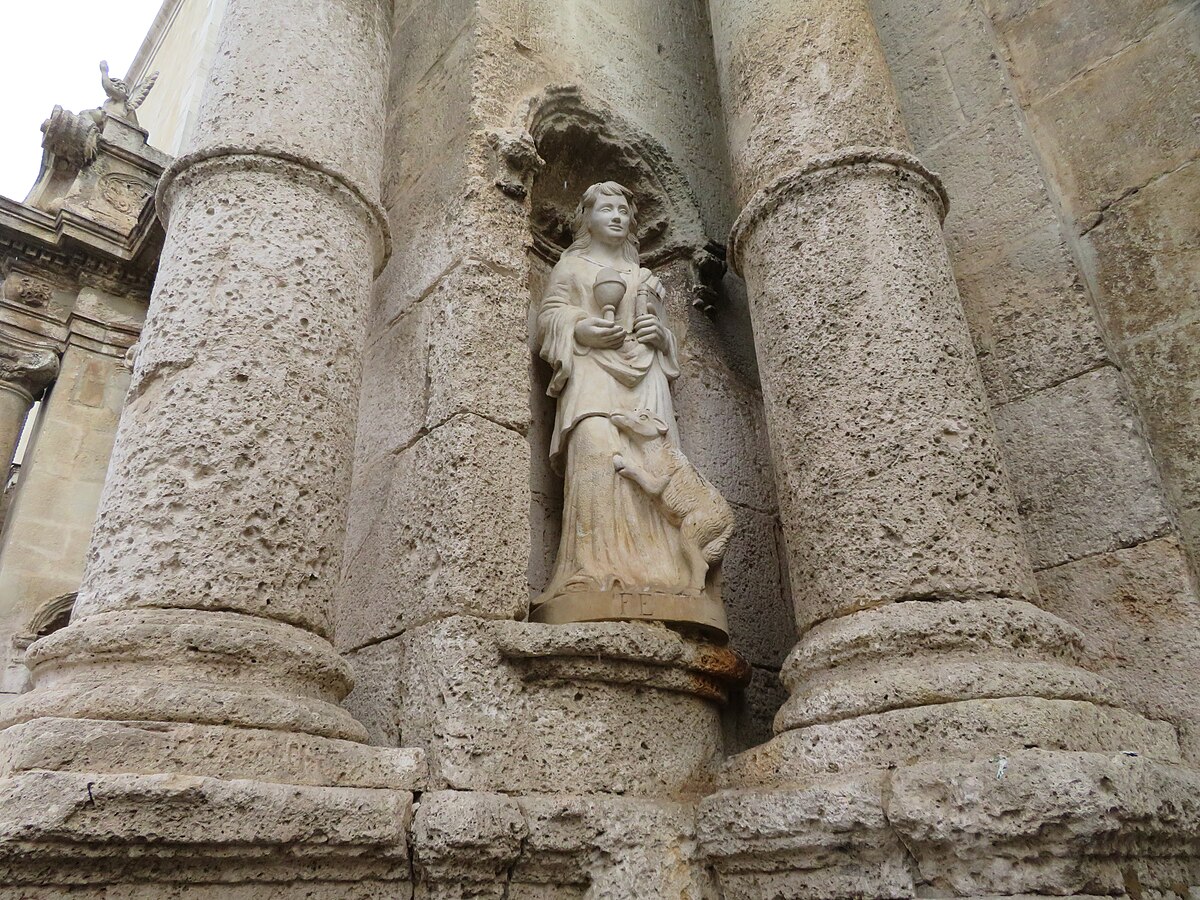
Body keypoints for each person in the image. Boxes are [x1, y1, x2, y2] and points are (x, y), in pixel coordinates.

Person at [534, 181, 692, 606]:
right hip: (591, 371)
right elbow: (548, 320)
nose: (617, 216)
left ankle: (659, 571)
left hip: (644, 378)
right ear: (586, 218)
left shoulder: (643, 278)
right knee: (597, 448)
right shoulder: (571, 268)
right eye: (606, 209)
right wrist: (580, 327)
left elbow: (663, 337)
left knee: (650, 459)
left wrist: (660, 335)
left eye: (623, 210)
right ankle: (592, 569)